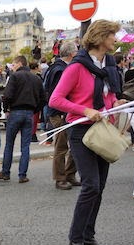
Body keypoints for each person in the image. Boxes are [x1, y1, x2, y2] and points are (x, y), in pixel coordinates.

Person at [50, 20, 125, 245]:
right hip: (81, 131)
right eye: (112, 35)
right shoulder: (76, 67)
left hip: (103, 128)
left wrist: (115, 103)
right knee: (91, 184)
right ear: (101, 37)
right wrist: (85, 110)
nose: (115, 39)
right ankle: (75, 239)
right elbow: (56, 100)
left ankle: (89, 236)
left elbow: (109, 93)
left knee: (99, 186)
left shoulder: (107, 65)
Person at [0, 55, 46, 183]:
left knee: (9, 144)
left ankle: (5, 172)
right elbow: (43, 99)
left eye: (13, 64)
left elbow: (7, 95)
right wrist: (34, 110)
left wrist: (6, 109)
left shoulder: (15, 76)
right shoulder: (36, 78)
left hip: (15, 111)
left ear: (19, 64)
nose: (12, 67)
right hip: (29, 113)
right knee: (25, 146)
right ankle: (22, 174)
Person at [43, 40, 80, 190]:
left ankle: (69, 174)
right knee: (62, 146)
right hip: (61, 113)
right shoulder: (61, 70)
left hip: (61, 112)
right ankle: (61, 177)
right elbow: (58, 95)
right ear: (72, 54)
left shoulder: (57, 68)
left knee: (71, 145)